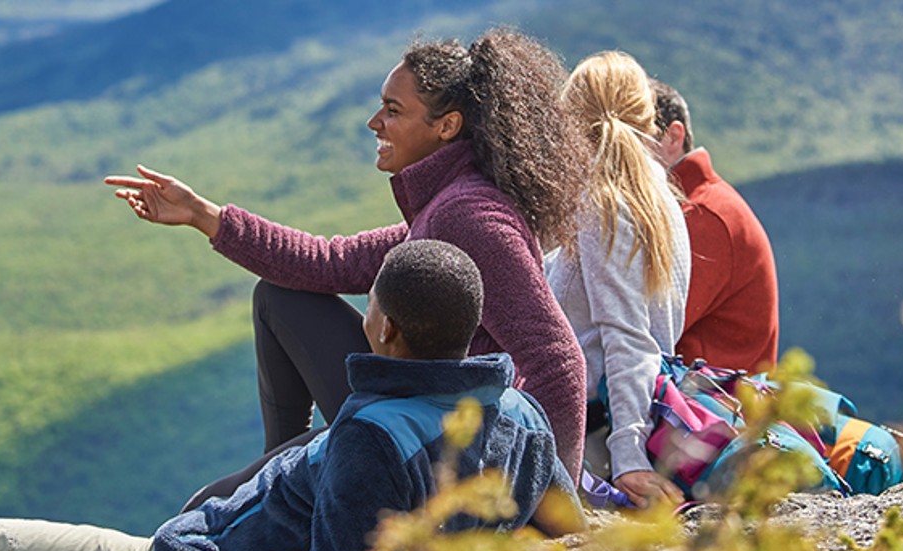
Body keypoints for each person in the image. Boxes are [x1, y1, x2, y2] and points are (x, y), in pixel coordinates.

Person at [0, 240, 580, 551]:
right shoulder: (520, 418)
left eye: (372, 308)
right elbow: (570, 530)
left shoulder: (374, 437)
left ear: (384, 327)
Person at [105, 28, 590, 492]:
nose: (374, 123)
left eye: (392, 110)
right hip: (416, 411)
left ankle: (285, 476)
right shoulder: (442, 209)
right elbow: (327, 262)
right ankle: (285, 471)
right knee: (279, 296)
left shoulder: (469, 217)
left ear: (447, 126)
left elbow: (557, 361)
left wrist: (549, 505)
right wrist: (202, 214)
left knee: (206, 507)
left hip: (440, 442)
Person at [549, 51, 692, 509]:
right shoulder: (659, 197)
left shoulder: (605, 203)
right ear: (647, 117)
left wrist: (630, 457)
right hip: (624, 419)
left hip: (594, 439)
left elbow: (628, 335)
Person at [649, 78, 779, 374]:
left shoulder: (702, 214)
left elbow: (648, 331)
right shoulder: (705, 204)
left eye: (632, 136)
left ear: (673, 137)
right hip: (707, 406)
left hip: (709, 411)